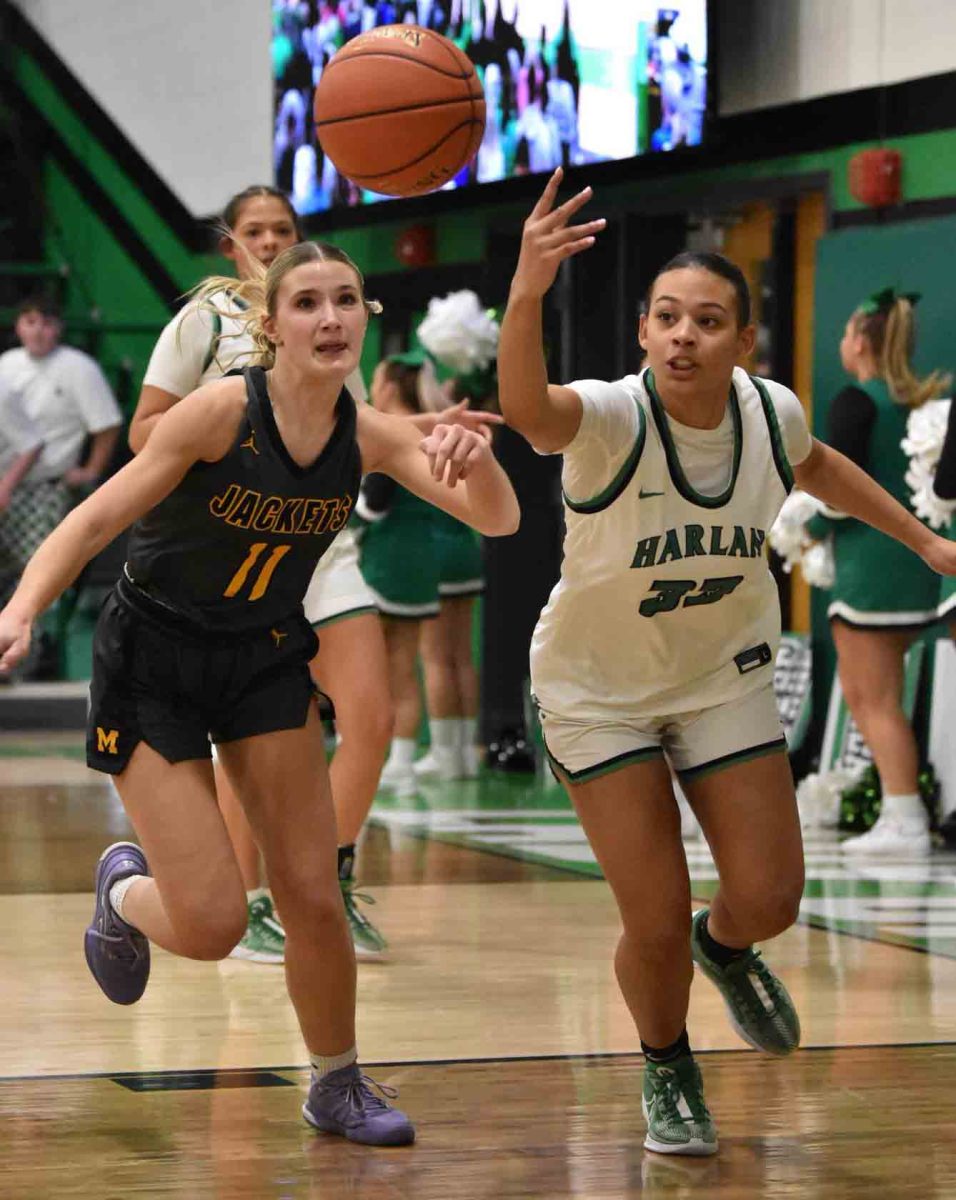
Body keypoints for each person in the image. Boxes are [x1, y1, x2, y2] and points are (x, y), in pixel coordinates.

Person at [0, 240, 519, 1144]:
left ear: (365, 318)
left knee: (311, 894)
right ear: (271, 326)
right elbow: (94, 518)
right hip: (154, 656)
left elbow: (500, 518)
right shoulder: (215, 413)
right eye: (309, 303)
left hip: (263, 656)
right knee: (209, 925)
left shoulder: (368, 431)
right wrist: (21, 608)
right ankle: (122, 891)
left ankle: (336, 1083)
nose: (329, 317)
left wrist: (468, 454)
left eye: (346, 301)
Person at [497, 168, 956, 1157]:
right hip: (596, 692)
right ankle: (666, 1064)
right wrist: (527, 290)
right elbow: (526, 413)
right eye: (664, 317)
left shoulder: (768, 412)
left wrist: (921, 541)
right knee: (652, 915)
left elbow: (819, 467)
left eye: (705, 321)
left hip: (717, 678)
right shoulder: (610, 416)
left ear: (741, 342)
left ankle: (728, 946)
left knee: (769, 895)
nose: (680, 336)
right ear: (639, 330)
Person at [131, 185, 497, 961]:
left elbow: (360, 429)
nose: (269, 241)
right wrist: (222, 433)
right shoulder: (204, 324)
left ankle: (324, 880)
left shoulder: (333, 326)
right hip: (232, 541)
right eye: (255, 231)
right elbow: (144, 434)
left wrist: (428, 430)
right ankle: (254, 894)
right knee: (244, 729)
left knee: (369, 715)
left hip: (323, 545)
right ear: (230, 243)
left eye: (283, 229)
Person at [809, 289, 948, 857]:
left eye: (845, 333)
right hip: (924, 569)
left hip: (869, 571)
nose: (842, 344)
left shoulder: (854, 402)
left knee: (872, 700)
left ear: (861, 341)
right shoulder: (925, 404)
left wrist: (803, 530)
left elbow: (839, 495)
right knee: (884, 697)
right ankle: (903, 812)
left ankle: (904, 816)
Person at [0, 296, 122, 614]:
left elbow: (106, 425)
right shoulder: (7, 364)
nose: (38, 331)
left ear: (58, 328)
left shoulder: (79, 368)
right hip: (6, 488)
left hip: (50, 488)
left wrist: (90, 471)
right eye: (30, 322)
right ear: (18, 327)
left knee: (37, 578)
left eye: (46, 323)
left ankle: (39, 650)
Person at [357, 354, 441, 797]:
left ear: (389, 386)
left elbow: (373, 505)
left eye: (375, 379)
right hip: (420, 561)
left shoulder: (390, 430)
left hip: (385, 560)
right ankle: (403, 762)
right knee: (405, 667)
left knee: (375, 671)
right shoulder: (426, 427)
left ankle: (382, 759)